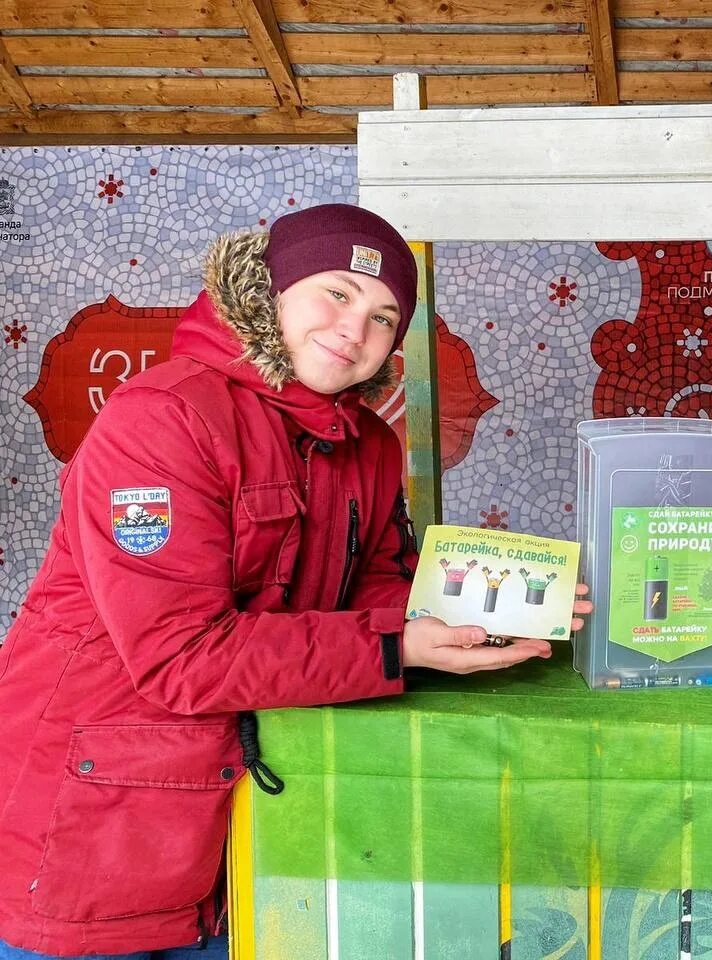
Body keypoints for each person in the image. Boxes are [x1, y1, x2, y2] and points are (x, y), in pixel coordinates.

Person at [0, 204, 591, 959]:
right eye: (337, 293)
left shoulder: (369, 444)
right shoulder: (163, 421)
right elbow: (181, 658)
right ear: (267, 289)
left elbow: (377, 583)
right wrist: (397, 645)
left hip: (246, 819)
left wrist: (490, 602)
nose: (356, 329)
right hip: (95, 823)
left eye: (384, 318)